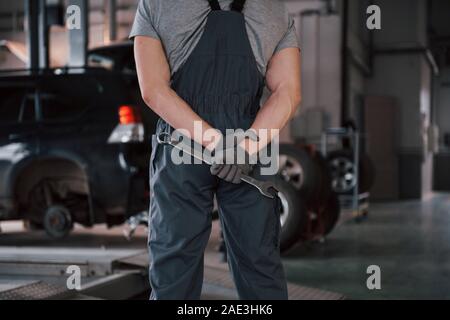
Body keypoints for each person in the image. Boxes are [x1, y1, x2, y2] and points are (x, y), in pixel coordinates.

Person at [130, 0, 301, 300]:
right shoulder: (274, 8)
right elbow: (288, 91)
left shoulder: (156, 4)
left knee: (174, 261)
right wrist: (245, 147)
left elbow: (154, 89)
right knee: (258, 261)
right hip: (250, 143)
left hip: (183, 144)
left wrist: (216, 143)